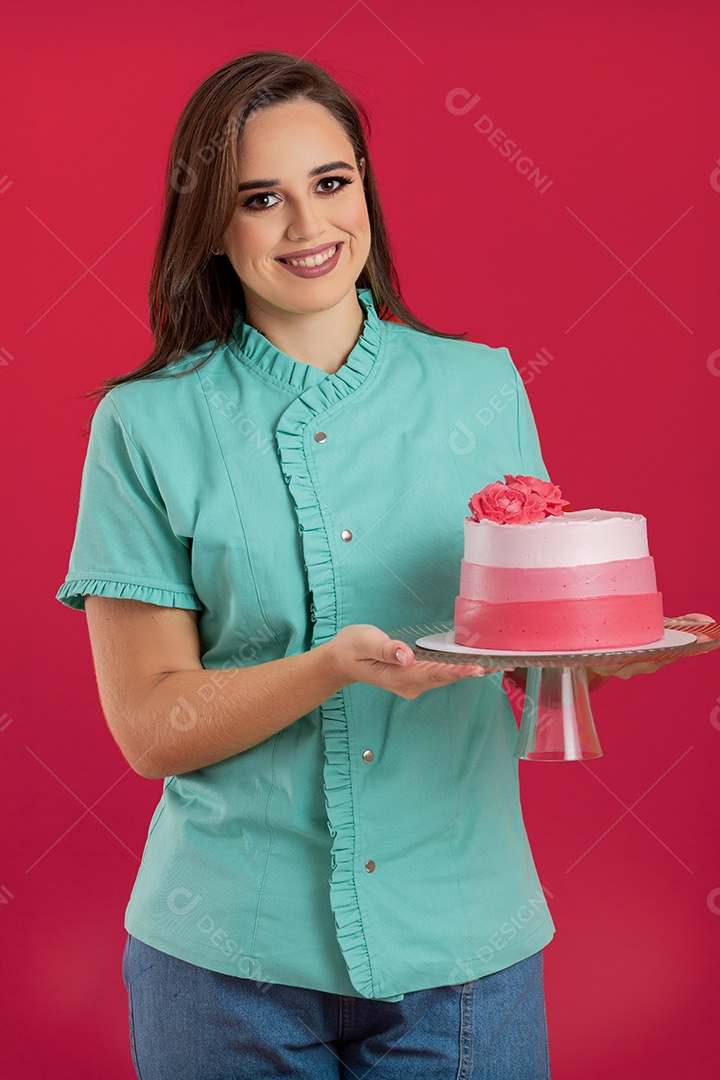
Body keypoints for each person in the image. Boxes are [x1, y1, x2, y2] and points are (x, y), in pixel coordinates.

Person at [55, 50, 711, 1080]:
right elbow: (149, 730)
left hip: (464, 956)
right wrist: (333, 667)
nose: (309, 228)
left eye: (331, 183)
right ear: (212, 228)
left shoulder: (480, 388)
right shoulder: (142, 424)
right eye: (260, 199)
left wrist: (595, 659)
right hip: (226, 961)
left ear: (364, 184)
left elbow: (530, 652)